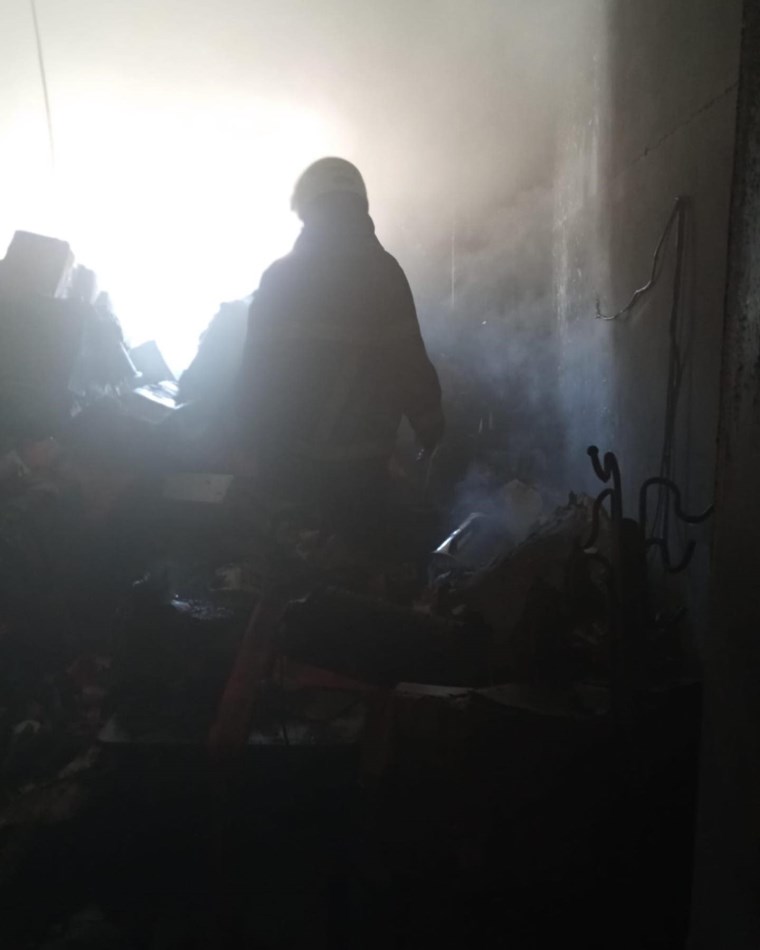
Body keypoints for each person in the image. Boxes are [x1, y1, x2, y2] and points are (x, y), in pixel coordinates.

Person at [237, 157, 444, 539]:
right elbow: (408, 361)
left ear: (306, 209)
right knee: (355, 560)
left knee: (292, 557)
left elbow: (255, 373)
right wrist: (431, 429)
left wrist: (248, 445)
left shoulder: (280, 275)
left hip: (288, 461)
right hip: (361, 466)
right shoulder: (384, 273)